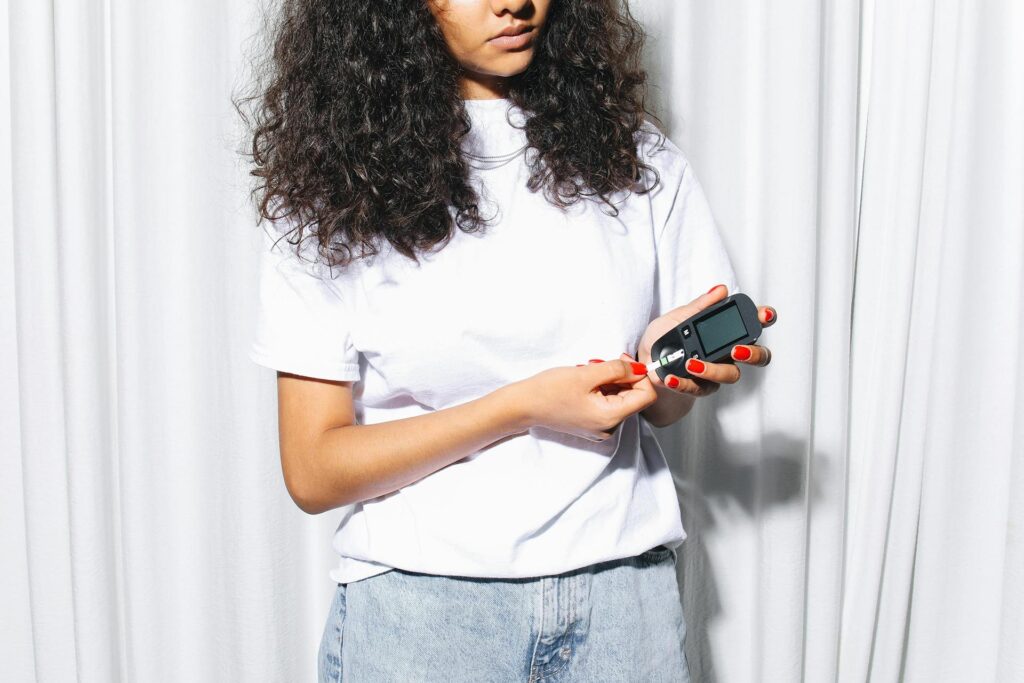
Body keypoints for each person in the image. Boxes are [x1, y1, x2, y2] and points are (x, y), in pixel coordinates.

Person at [237, 0, 777, 680]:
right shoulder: (336, 187)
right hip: (425, 615)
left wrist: (664, 375)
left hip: (620, 606)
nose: (514, 1)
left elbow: (662, 410)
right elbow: (314, 470)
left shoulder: (633, 155)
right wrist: (521, 406)